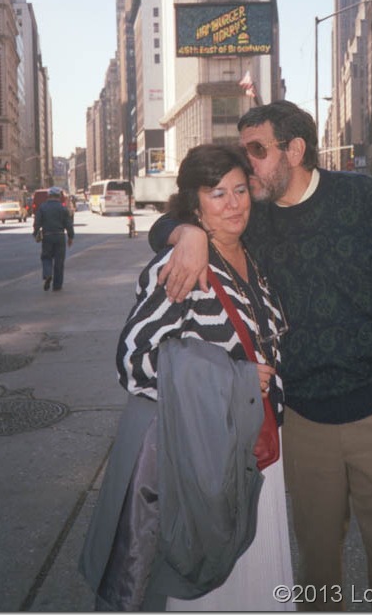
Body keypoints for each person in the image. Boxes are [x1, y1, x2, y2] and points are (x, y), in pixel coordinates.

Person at [150, 100, 372, 612]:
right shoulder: (255, 218)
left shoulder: (362, 198)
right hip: (305, 424)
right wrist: (187, 234)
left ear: (294, 150)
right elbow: (177, 218)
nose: (246, 167)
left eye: (257, 151)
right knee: (315, 566)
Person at [79, 144, 294, 612]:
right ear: (195, 206)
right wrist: (232, 382)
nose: (234, 204)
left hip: (257, 448)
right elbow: (134, 360)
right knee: (213, 589)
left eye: (240, 190)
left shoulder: (249, 259)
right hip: (206, 462)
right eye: (217, 194)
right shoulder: (183, 265)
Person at [33, 186, 74, 291]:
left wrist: (36, 233)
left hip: (47, 236)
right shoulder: (62, 208)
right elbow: (68, 224)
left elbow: (37, 223)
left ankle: (47, 274)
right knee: (59, 261)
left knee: (46, 257)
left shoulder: (42, 207)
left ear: (48, 195)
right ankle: (57, 286)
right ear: (59, 196)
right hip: (60, 236)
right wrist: (70, 237)